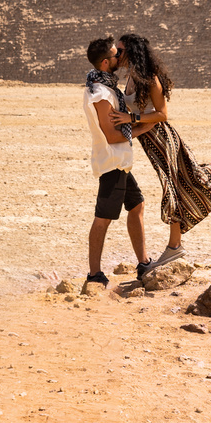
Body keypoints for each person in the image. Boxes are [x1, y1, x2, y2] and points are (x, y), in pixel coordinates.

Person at [116, 32, 211, 272]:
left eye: (120, 51)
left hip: (162, 139)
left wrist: (131, 120)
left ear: (132, 52)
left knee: (174, 188)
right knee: (189, 178)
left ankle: (175, 246)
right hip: (150, 141)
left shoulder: (149, 78)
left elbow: (161, 115)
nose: (116, 54)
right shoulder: (130, 77)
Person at [81, 36, 149, 289]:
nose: (121, 57)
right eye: (116, 54)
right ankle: (94, 275)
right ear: (106, 62)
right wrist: (146, 126)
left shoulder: (107, 87)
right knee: (103, 218)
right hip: (112, 162)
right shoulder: (100, 94)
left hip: (120, 162)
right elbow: (111, 134)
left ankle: (143, 263)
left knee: (137, 204)